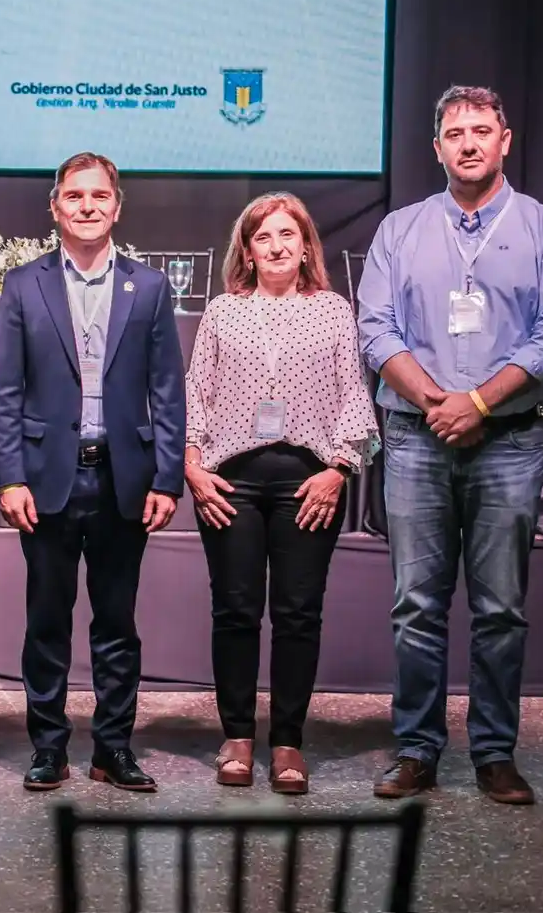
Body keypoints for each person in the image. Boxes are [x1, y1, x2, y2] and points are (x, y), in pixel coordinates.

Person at [358, 86, 543, 805]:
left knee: (501, 606)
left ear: (506, 140)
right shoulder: (400, 230)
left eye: (482, 130)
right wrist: (437, 403)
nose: (469, 142)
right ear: (436, 147)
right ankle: (416, 748)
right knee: (416, 603)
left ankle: (495, 752)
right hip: (417, 438)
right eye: (455, 132)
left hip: (508, 441)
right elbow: (378, 330)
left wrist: (476, 402)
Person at [0, 151, 185, 793]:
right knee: (46, 622)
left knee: (116, 625)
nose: (88, 206)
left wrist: (167, 477)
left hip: (123, 481)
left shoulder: (150, 288)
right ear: (55, 206)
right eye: (75, 196)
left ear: (117, 206)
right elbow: (6, 393)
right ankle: (48, 748)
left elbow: (167, 391)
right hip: (47, 480)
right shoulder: (24, 285)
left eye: (99, 196)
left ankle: (113, 748)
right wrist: (8, 477)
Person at [185, 192, 380, 794]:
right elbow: (197, 392)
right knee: (236, 611)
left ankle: (289, 741)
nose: (275, 246)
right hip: (230, 482)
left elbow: (355, 397)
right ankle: (238, 736)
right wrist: (192, 465)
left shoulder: (333, 311)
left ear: (305, 247)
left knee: (298, 613)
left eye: (287, 236)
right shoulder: (222, 310)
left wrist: (340, 468)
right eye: (263, 236)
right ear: (246, 248)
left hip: (310, 482)